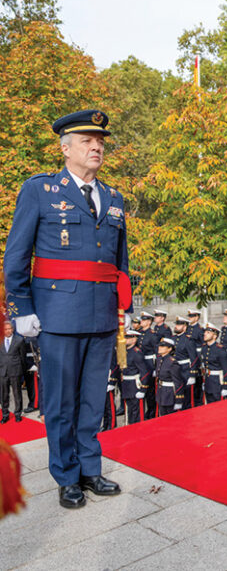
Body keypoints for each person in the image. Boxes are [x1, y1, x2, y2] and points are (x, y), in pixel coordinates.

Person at [3, 109, 129, 508]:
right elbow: (17, 254)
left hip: (102, 313)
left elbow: (118, 259)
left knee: (94, 398)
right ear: (65, 148)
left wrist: (122, 304)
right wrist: (21, 307)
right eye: (87, 141)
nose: (96, 147)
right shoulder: (40, 190)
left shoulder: (113, 196)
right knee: (60, 400)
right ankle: (66, 474)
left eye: (101, 142)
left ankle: (90, 469)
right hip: (57, 313)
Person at [120, 329, 152, 424]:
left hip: (135, 385)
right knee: (129, 411)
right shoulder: (125, 351)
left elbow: (145, 372)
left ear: (134, 340)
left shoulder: (137, 353)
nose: (125, 339)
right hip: (126, 385)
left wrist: (142, 389)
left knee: (137, 413)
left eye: (128, 337)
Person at [200, 323, 227, 404]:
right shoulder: (204, 348)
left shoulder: (220, 349)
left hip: (218, 382)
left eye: (208, 332)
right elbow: (204, 367)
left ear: (215, 336)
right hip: (208, 381)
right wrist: (204, 382)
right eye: (205, 332)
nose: (205, 334)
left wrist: (226, 386)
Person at [172, 316, 198, 409]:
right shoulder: (172, 339)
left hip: (185, 370)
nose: (176, 326)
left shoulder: (188, 340)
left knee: (186, 397)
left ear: (185, 327)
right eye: (176, 324)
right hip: (175, 370)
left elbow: (194, 358)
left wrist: (192, 375)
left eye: (179, 325)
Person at [1, 321, 25, 423]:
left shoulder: (19, 340)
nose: (8, 331)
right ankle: (5, 414)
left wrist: (21, 370)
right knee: (3, 394)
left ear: (13, 329)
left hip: (15, 370)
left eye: (9, 329)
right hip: (2, 371)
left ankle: (17, 414)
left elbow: (22, 356)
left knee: (17, 393)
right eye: (6, 329)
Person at [136, 311, 159, 419]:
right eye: (142, 320)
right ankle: (146, 411)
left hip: (150, 364)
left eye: (144, 320)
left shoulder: (152, 334)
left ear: (149, 322)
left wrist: (156, 368)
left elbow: (157, 352)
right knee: (142, 388)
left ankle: (152, 412)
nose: (142, 322)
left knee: (150, 391)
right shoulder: (139, 333)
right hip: (141, 363)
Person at [155, 337, 184, 416]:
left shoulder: (172, 362)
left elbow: (178, 381)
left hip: (170, 393)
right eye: (159, 346)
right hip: (161, 392)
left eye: (162, 346)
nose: (159, 348)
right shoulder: (159, 359)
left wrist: (179, 400)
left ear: (169, 349)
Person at [22, 336, 39, 413]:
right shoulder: (24, 338)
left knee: (34, 388)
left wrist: (33, 365)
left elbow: (35, 353)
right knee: (30, 388)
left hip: (33, 367)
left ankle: (34, 405)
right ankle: (33, 403)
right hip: (26, 366)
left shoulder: (33, 339)